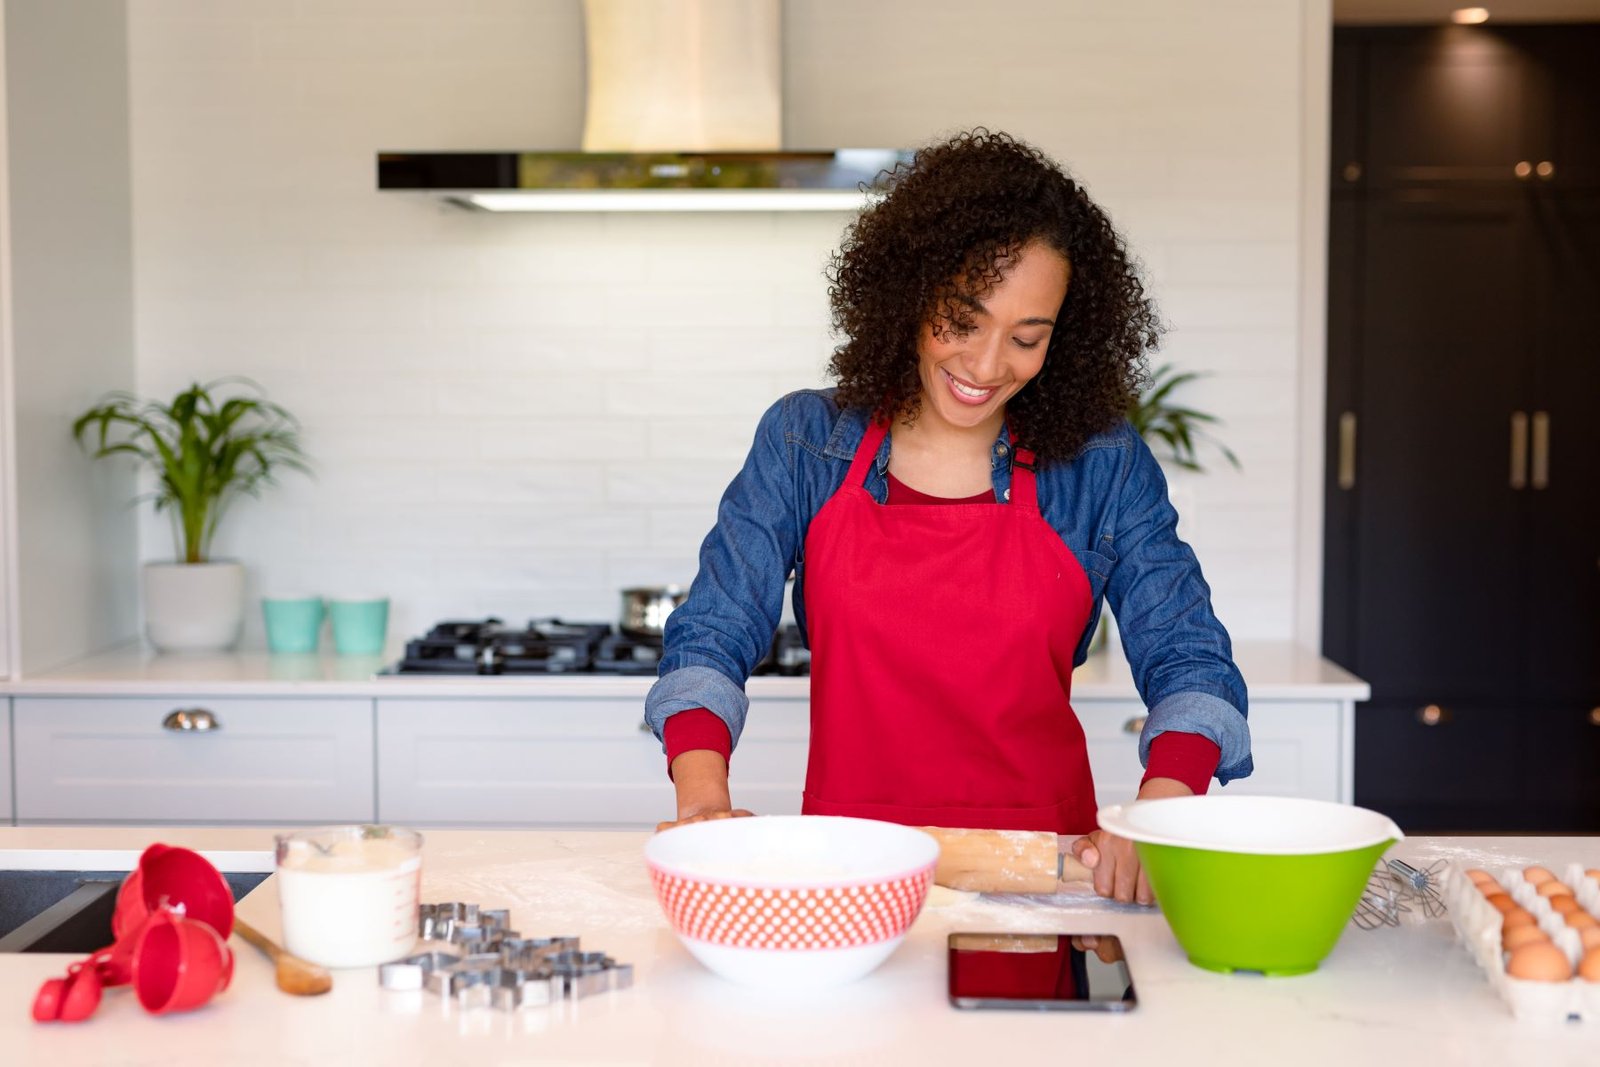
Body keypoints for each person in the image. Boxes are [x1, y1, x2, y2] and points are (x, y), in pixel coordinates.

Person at [643, 129, 1250, 905]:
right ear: (911, 291)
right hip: (846, 881)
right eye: (963, 321)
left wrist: (1163, 808)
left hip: (1049, 882)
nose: (988, 365)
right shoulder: (806, 443)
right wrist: (701, 803)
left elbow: (1191, 658)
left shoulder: (1100, 463)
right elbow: (712, 633)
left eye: (1027, 338)